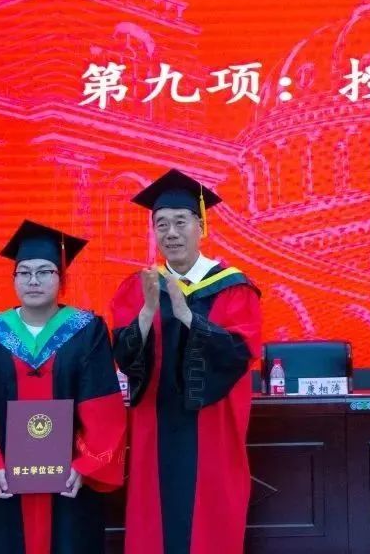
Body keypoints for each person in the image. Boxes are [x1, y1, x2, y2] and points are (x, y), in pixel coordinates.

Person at [0, 220, 127, 554]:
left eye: (45, 271)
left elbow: (102, 406)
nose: (33, 280)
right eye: (23, 273)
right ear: (14, 279)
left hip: (69, 480)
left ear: (61, 278)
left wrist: (86, 465)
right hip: (5, 478)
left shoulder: (88, 331)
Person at [112, 169, 262, 554]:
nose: (171, 233)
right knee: (155, 518)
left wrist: (188, 316)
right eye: (161, 224)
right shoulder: (139, 287)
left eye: (181, 222)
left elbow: (238, 354)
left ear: (201, 226)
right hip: (155, 422)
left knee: (210, 513)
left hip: (210, 424)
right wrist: (148, 313)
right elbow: (124, 357)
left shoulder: (233, 287)